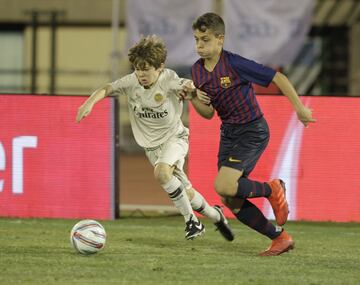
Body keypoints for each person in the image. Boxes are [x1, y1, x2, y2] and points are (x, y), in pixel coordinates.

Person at [179, 13, 316, 255]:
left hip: (253, 130)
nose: (199, 45)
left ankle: (272, 189)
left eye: (205, 39)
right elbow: (208, 113)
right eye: (196, 40)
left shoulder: (234, 64)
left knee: (224, 184)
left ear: (220, 39)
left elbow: (278, 77)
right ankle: (279, 238)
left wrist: (300, 108)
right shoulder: (197, 72)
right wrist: (192, 97)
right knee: (229, 197)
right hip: (229, 133)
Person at [76, 35, 234, 241]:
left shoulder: (168, 79)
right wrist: (89, 103)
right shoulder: (132, 82)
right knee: (187, 194)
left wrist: (194, 91)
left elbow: (188, 85)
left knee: (161, 173)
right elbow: (108, 88)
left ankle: (191, 222)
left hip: (175, 139)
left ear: (159, 67)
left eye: (146, 69)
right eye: (137, 68)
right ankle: (216, 215)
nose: (141, 74)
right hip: (152, 149)